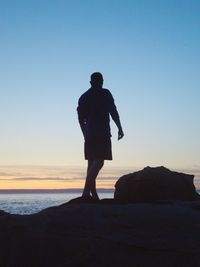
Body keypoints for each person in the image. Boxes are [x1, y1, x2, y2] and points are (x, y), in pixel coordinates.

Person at [77, 72, 124, 200]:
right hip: (102, 132)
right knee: (99, 161)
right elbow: (113, 111)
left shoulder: (84, 97)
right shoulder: (105, 93)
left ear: (91, 82)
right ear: (101, 81)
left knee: (91, 163)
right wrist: (119, 127)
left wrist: (84, 132)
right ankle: (86, 192)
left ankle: (94, 195)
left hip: (89, 133)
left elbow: (80, 118)